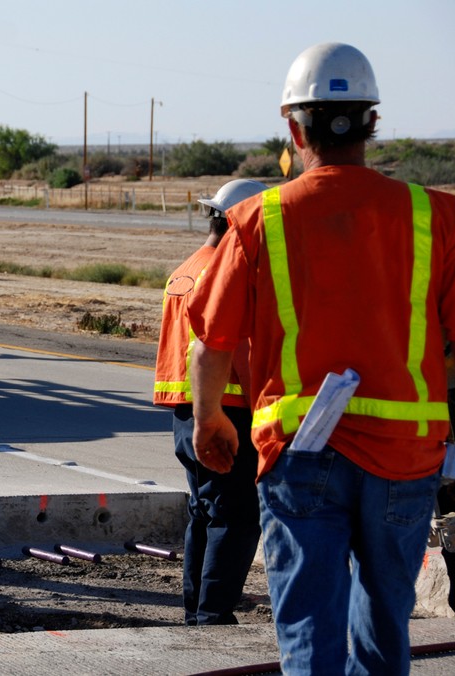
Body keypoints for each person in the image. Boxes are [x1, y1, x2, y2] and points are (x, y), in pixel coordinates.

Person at [187, 42, 455, 673]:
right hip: (406, 454)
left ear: (293, 126)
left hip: (303, 453)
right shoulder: (433, 216)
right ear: (372, 123)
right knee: (386, 623)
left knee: (310, 626)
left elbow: (211, 343)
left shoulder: (261, 219)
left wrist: (208, 421)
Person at [153, 178, 266, 626]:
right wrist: (264, 409)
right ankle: (214, 615)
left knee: (203, 511)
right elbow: (234, 348)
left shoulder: (185, 269)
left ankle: (196, 609)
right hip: (228, 411)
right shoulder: (227, 273)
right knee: (236, 516)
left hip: (188, 413)